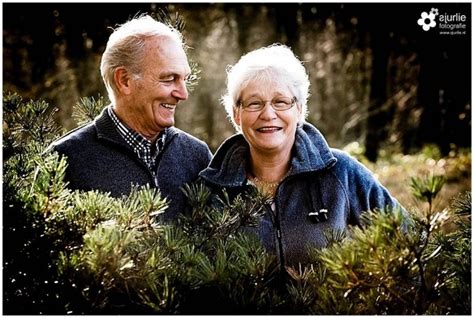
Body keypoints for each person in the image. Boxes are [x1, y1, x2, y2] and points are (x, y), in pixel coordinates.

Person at [199, 44, 405, 268]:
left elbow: (408, 238)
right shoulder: (212, 190)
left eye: (280, 102)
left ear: (298, 110)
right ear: (236, 114)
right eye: (254, 103)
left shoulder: (340, 173)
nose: (268, 114)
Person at [48, 15, 212, 221]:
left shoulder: (197, 156)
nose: (183, 94)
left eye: (184, 79)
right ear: (124, 81)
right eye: (169, 78)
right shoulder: (63, 160)